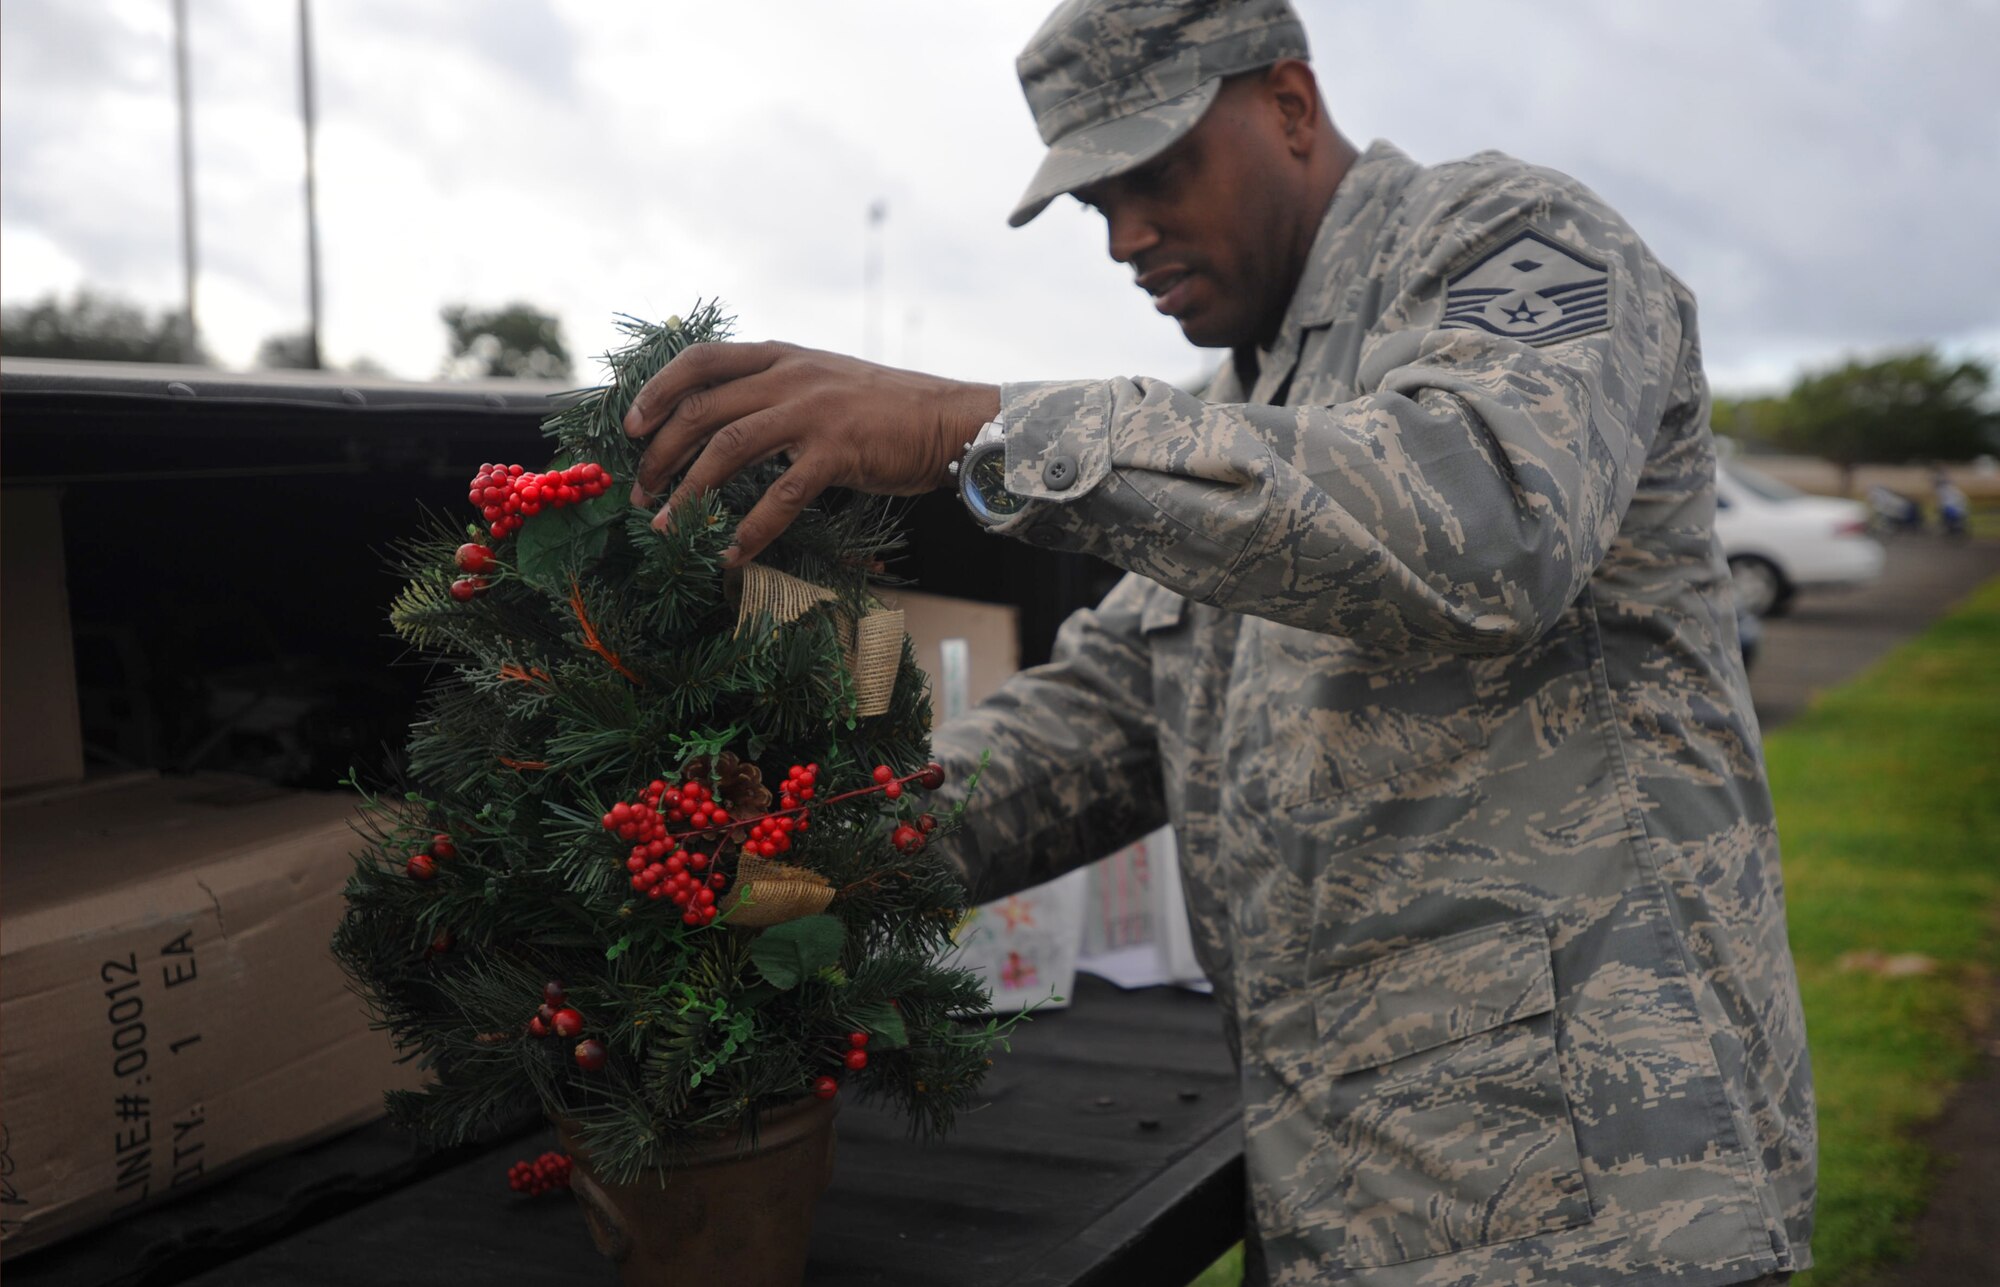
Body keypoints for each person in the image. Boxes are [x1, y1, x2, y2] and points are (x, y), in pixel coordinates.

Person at [620, 1, 1815, 1282]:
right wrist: (798, 853)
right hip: (1357, 1195)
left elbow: (1482, 519)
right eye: (1094, 205)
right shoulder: (1240, 404)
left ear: (1289, 105)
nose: (1126, 236)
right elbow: (1102, 714)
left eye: (1157, 172)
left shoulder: (1514, 237)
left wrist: (975, 424)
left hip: (1592, 1206)